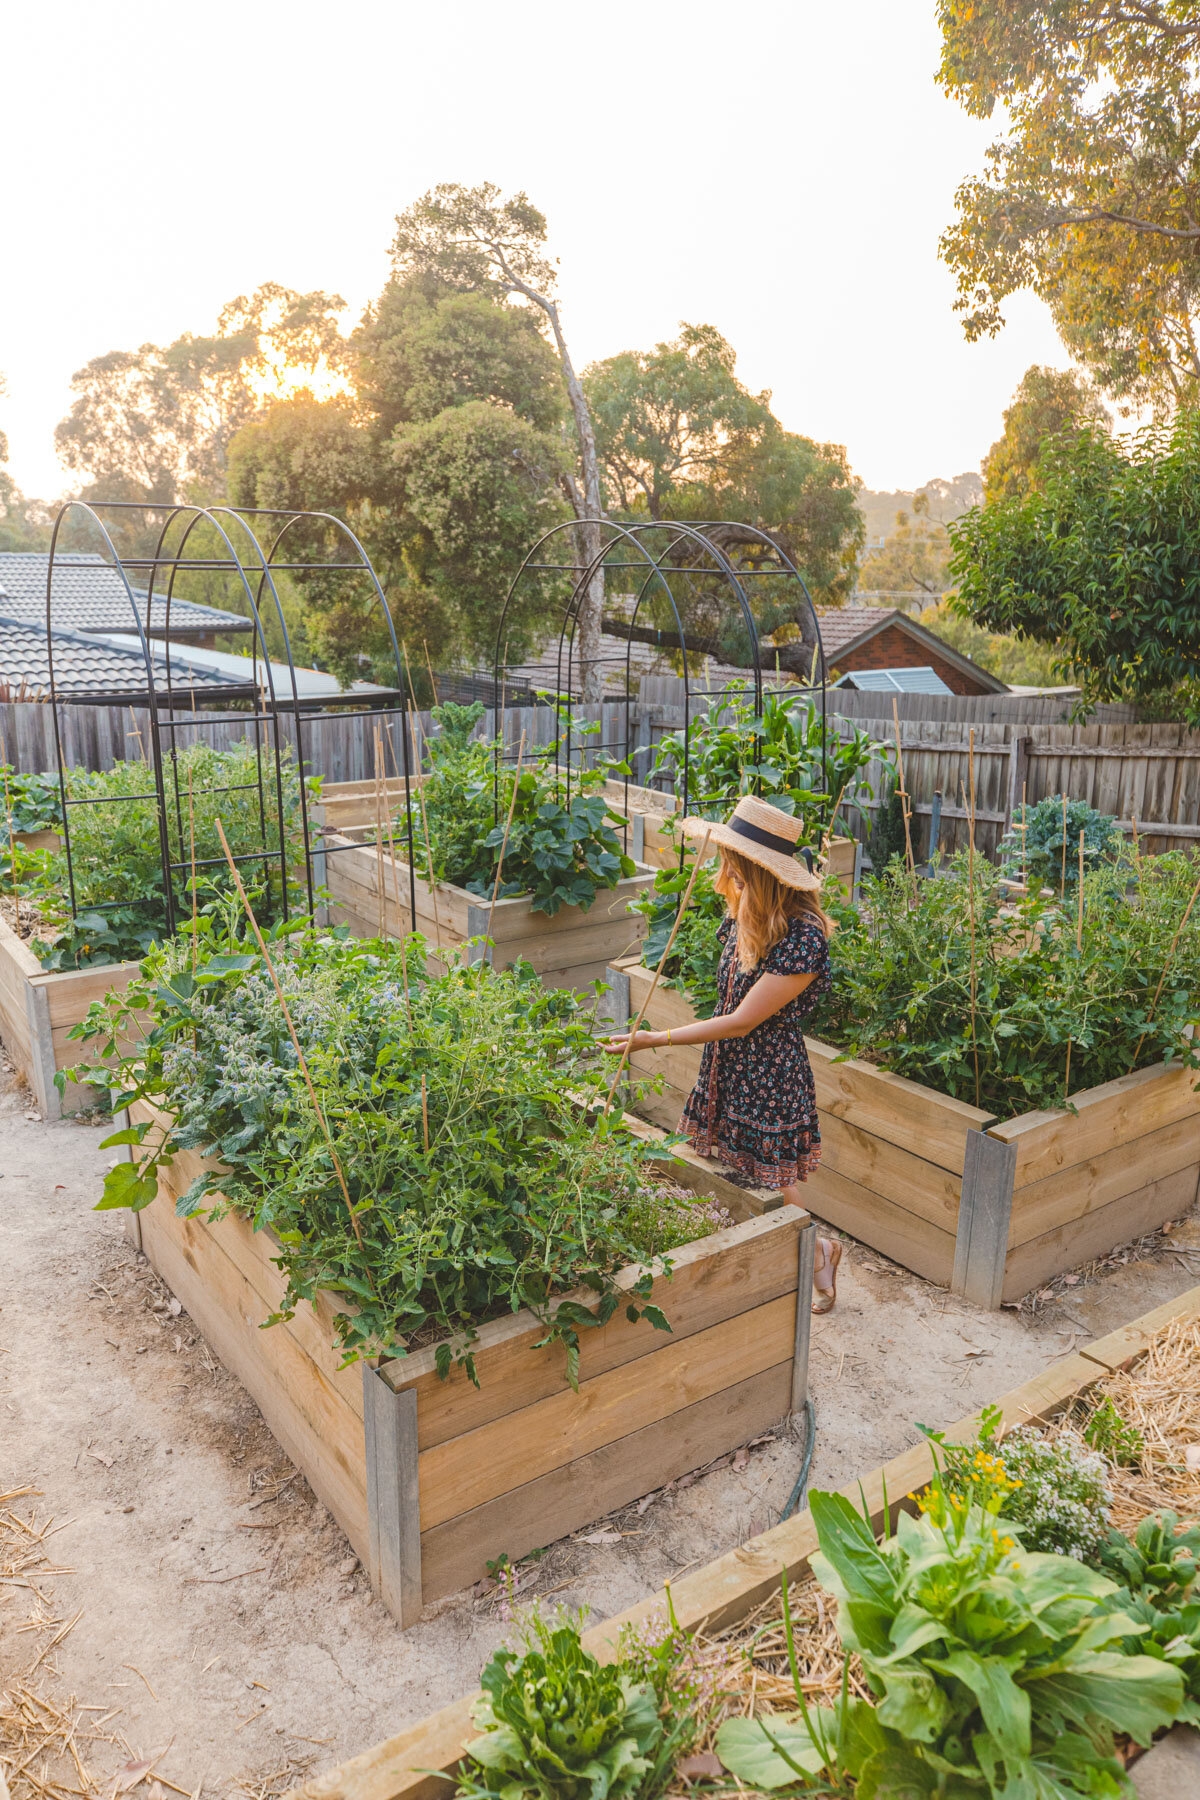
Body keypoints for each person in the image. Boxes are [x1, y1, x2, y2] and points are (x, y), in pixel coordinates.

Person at [601, 794, 843, 1313]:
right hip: (728, 1065)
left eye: (733, 861)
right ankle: (763, 1267)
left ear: (759, 870)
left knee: (771, 1182)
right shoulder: (749, 912)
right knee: (727, 1170)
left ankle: (816, 1254)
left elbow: (742, 1020)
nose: (724, 870)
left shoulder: (804, 938)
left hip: (769, 1073)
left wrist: (654, 1038)